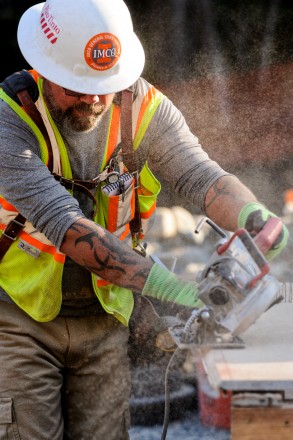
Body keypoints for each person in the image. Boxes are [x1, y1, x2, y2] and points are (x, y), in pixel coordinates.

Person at [0, 0, 288, 439]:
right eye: (78, 86)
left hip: (107, 315)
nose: (94, 99)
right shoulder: (9, 119)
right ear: (43, 68)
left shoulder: (144, 107)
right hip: (19, 318)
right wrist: (174, 290)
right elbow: (70, 227)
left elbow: (201, 177)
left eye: (105, 84)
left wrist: (253, 216)